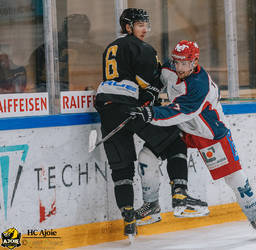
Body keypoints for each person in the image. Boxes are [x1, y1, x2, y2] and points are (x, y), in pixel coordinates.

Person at [127, 40, 256, 240]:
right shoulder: (172, 68)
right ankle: (151, 205)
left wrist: (149, 113)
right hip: (182, 130)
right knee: (147, 155)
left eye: (184, 63)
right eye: (176, 61)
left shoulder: (199, 85)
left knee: (235, 178)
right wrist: (151, 92)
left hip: (209, 134)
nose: (178, 67)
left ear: (195, 61)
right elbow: (161, 78)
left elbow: (178, 112)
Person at [94, 9, 206, 240]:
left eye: (147, 25)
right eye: (139, 25)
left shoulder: (110, 47)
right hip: (129, 106)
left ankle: (128, 219)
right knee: (174, 140)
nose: (145, 29)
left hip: (106, 106)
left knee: (121, 168)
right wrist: (152, 95)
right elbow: (148, 85)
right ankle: (180, 194)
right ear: (128, 27)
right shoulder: (143, 49)